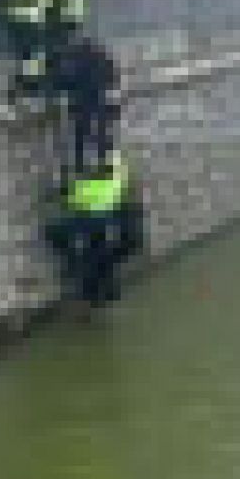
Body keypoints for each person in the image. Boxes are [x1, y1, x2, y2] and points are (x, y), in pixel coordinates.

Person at [46, 150, 146, 308]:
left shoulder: (93, 190)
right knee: (99, 252)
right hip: (103, 227)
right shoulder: (112, 187)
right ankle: (93, 288)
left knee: (92, 251)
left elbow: (64, 201)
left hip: (96, 226)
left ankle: (87, 285)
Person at [51, 35, 121, 174]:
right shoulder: (98, 57)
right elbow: (112, 77)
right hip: (96, 100)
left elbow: (62, 83)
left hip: (82, 102)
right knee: (99, 134)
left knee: (83, 136)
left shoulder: (72, 61)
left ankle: (82, 167)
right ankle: (103, 165)